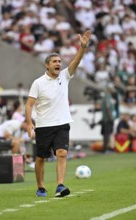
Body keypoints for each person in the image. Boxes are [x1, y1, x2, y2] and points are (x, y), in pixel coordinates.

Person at [25, 29, 91, 197]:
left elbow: (75, 62)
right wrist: (29, 124)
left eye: (60, 61)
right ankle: (40, 186)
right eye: (54, 61)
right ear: (47, 65)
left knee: (62, 153)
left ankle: (60, 185)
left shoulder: (65, 76)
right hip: (43, 126)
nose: (58, 64)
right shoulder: (38, 83)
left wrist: (82, 47)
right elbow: (29, 105)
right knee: (41, 158)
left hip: (62, 124)